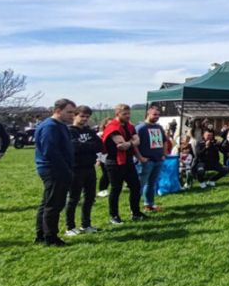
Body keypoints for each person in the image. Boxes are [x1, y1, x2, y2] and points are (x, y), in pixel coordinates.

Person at [34, 99, 76, 246]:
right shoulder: (50, 127)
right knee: (54, 204)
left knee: (47, 202)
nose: (72, 115)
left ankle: (41, 234)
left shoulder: (61, 126)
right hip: (53, 169)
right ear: (58, 110)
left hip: (58, 168)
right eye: (69, 112)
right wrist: (65, 170)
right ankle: (50, 237)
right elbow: (50, 151)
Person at [101, 104, 146, 224]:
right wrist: (132, 142)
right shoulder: (112, 127)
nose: (128, 116)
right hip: (115, 161)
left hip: (128, 161)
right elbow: (121, 145)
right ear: (117, 114)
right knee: (116, 189)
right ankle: (114, 215)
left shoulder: (129, 126)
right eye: (124, 114)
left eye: (128, 113)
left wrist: (130, 143)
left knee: (135, 187)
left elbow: (136, 141)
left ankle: (136, 213)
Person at [65, 106, 103, 235]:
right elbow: (74, 147)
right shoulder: (69, 131)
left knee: (90, 197)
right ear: (75, 116)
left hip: (90, 167)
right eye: (82, 116)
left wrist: (86, 147)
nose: (85, 119)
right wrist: (89, 146)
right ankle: (70, 227)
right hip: (76, 168)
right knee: (74, 198)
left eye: (87, 117)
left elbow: (100, 145)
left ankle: (86, 224)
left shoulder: (89, 130)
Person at [136, 105, 167, 212]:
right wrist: (140, 158)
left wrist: (164, 154)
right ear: (148, 114)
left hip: (158, 160)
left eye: (158, 115)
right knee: (140, 185)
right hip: (146, 161)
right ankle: (134, 208)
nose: (157, 117)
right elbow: (134, 144)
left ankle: (149, 204)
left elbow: (164, 141)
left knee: (151, 184)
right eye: (154, 114)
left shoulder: (159, 127)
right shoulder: (140, 128)